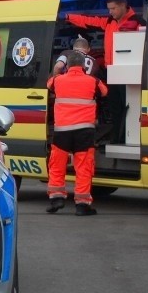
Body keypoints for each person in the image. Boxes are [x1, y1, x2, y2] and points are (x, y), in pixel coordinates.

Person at [58, 0, 142, 144]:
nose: (110, 12)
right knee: (115, 107)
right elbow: (89, 21)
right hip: (112, 72)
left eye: (113, 9)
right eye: (109, 9)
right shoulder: (110, 22)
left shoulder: (138, 22)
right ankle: (117, 137)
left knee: (128, 107)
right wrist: (68, 16)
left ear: (123, 5)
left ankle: (124, 138)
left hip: (129, 72)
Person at [46, 51, 108, 216]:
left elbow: (49, 84)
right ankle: (82, 205)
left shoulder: (57, 80)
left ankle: (56, 199)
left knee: (57, 166)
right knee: (83, 168)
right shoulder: (93, 81)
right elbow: (104, 92)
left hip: (62, 132)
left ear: (68, 65)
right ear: (83, 65)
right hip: (84, 132)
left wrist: (59, 70)